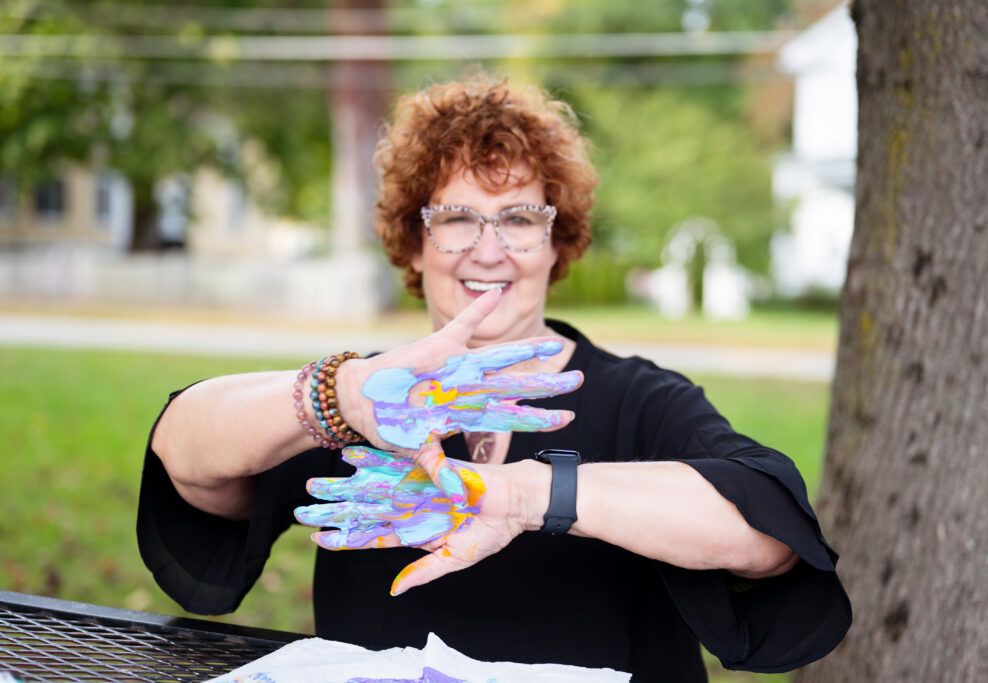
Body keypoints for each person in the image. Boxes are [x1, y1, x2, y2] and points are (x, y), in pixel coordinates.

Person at [138, 75, 850, 681]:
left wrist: (518, 495)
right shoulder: (375, 398)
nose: (488, 249)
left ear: (556, 240)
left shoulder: (640, 400)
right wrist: (341, 393)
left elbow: (770, 535)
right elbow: (185, 458)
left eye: (519, 218)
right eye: (456, 218)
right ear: (414, 243)